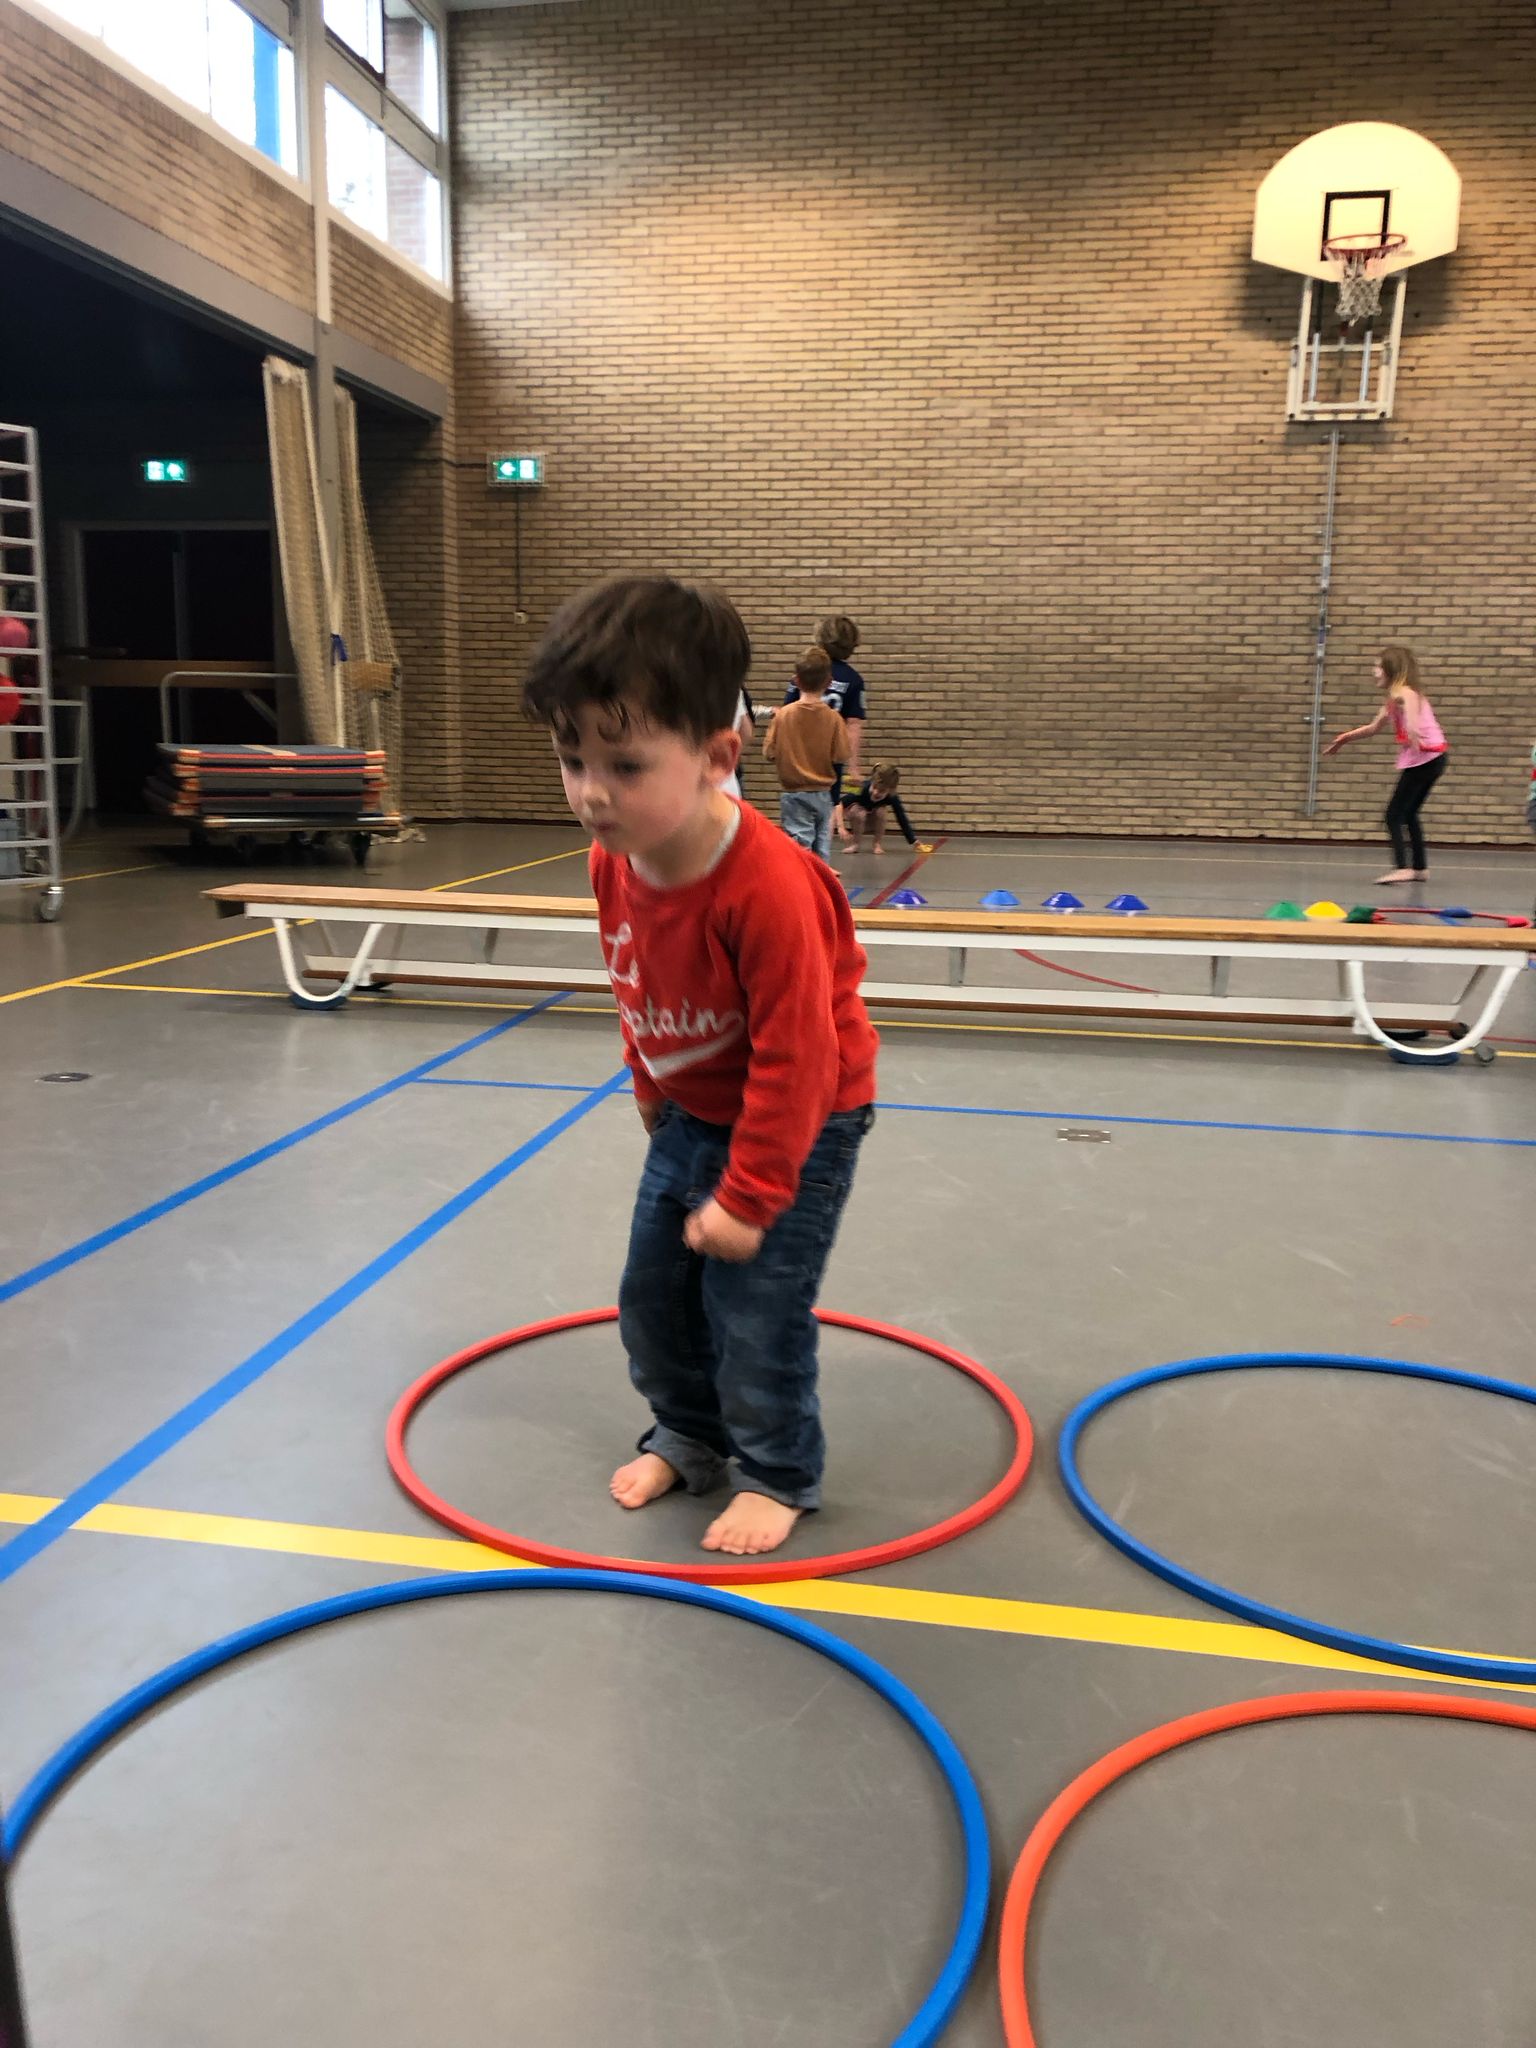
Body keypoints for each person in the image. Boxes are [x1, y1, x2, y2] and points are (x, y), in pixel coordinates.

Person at [522, 574, 878, 1558]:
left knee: (752, 1309)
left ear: (719, 758)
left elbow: (799, 1053)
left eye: (626, 765)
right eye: (572, 759)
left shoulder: (765, 886)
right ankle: (689, 1434)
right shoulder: (614, 853)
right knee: (654, 1299)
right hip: (692, 1108)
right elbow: (631, 973)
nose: (593, 792)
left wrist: (753, 1195)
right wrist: (650, 1086)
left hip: (804, 1116)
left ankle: (777, 1470)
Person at [1323, 644, 1449, 883]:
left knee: (1393, 815)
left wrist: (1413, 735)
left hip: (1426, 759)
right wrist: (1345, 738)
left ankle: (1403, 867)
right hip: (1432, 759)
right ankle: (1420, 868)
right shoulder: (1394, 699)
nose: (1374, 672)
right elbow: (1373, 727)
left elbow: (1412, 719)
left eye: (1378, 667)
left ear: (1391, 669)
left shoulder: (1406, 693)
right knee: (1409, 813)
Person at [763, 646, 850, 861]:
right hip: (823, 794)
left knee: (800, 852)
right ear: (829, 682)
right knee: (822, 854)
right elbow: (841, 755)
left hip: (794, 793)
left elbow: (769, 752)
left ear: (796, 681)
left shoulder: (783, 716)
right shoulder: (834, 718)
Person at [784, 613, 868, 778]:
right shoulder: (853, 679)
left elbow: (786, 713)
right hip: (830, 756)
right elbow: (853, 725)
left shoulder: (805, 672)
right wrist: (853, 767)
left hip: (800, 754)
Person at [838, 763, 917, 855]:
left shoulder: (892, 796)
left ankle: (877, 843)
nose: (876, 792)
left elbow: (901, 817)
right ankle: (855, 844)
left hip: (874, 821)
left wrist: (913, 840)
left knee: (881, 811)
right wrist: (841, 827)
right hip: (858, 820)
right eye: (874, 787)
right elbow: (839, 804)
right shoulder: (861, 787)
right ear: (872, 781)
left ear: (890, 791)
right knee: (857, 811)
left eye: (882, 791)